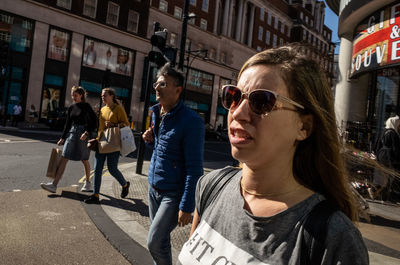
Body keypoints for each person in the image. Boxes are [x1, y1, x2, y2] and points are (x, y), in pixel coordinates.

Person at [178, 45, 368, 265]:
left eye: (261, 102)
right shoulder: (211, 186)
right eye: (234, 96)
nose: (239, 113)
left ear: (304, 126)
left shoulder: (334, 239)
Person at [142, 63, 205, 265]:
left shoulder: (191, 121)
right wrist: (150, 141)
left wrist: (187, 206)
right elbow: (165, 152)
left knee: (154, 242)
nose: (157, 87)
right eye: (157, 83)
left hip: (173, 194)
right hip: (154, 188)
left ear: (177, 90)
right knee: (161, 242)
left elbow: (194, 169)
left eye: (163, 83)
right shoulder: (157, 114)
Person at [41, 86, 97, 193]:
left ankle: (88, 183)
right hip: (72, 133)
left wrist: (87, 132)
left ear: (81, 95)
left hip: (83, 134)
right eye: (72, 95)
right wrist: (62, 137)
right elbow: (67, 124)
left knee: (84, 159)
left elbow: (94, 122)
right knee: (64, 157)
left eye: (75, 95)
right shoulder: (71, 107)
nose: (73, 97)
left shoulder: (86, 106)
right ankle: (54, 185)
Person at [84, 88, 130, 204]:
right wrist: (97, 139)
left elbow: (126, 125)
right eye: (102, 96)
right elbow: (100, 128)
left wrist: (113, 124)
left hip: (114, 142)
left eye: (105, 95)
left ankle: (125, 184)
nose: (102, 97)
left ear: (111, 96)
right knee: (98, 169)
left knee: (112, 168)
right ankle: (95, 195)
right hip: (102, 142)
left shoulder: (118, 109)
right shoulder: (103, 109)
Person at [369, 115, 400, 200]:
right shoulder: (393, 133)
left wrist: (375, 153)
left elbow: (377, 144)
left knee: (381, 176)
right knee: (389, 176)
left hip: (381, 155)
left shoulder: (383, 131)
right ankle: (382, 194)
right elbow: (396, 148)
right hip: (389, 158)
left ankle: (375, 192)